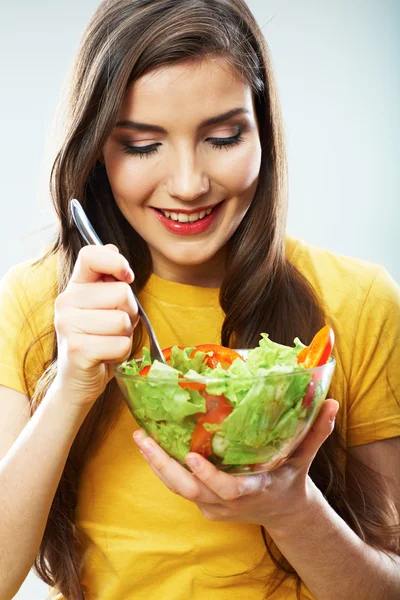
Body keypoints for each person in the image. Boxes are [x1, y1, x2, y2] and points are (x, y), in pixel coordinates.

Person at [0, 1, 399, 599]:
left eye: (222, 137)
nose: (188, 184)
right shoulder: (43, 304)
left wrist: (292, 511)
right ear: (95, 152)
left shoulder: (359, 301)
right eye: (140, 146)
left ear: (263, 131)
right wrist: (73, 385)